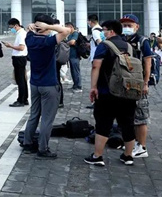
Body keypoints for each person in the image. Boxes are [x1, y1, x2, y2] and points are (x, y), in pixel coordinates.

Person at [85, 19, 138, 166]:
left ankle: (97, 156)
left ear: (111, 31)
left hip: (107, 91)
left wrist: (93, 87)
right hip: (128, 91)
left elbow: (96, 66)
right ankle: (128, 156)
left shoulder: (105, 45)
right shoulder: (129, 46)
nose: (103, 33)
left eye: (104, 30)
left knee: (103, 123)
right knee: (127, 123)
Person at [22, 14, 70, 159]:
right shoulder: (48, 41)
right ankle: (43, 149)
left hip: (35, 84)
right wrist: (49, 26)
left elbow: (29, 30)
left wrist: (32, 26)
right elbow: (66, 31)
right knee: (47, 119)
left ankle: (27, 143)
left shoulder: (29, 39)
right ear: (45, 28)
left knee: (34, 115)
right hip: (49, 84)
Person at [120, 14, 153, 158]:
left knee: (140, 116)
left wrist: (145, 83)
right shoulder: (122, 40)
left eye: (129, 25)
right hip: (125, 82)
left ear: (137, 26)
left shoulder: (142, 41)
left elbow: (148, 62)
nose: (126, 27)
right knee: (129, 116)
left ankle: (142, 147)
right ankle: (132, 143)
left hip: (138, 83)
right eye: (124, 25)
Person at [3, 18, 29, 106]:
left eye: (11, 27)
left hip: (19, 58)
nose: (11, 29)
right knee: (22, 79)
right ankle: (24, 99)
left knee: (20, 79)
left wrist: (10, 46)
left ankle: (21, 100)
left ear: (16, 25)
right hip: (20, 58)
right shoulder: (20, 33)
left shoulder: (21, 34)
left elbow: (21, 47)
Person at [65, 22, 82, 92]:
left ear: (71, 27)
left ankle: (78, 86)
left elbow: (72, 42)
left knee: (76, 71)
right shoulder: (70, 34)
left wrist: (66, 43)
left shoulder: (75, 33)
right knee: (73, 71)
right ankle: (75, 85)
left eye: (67, 27)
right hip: (71, 56)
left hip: (75, 56)